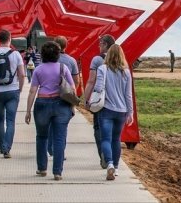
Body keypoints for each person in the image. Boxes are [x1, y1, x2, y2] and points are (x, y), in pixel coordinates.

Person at [24, 41, 75, 181]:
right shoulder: (63, 68)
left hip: (42, 104)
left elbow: (32, 91)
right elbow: (72, 88)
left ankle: (42, 168)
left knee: (41, 137)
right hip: (61, 105)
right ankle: (57, 172)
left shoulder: (39, 69)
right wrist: (72, 106)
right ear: (57, 54)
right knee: (59, 139)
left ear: (43, 55)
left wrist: (28, 111)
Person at [0, 29, 25, 158]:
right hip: (13, 91)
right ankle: (7, 148)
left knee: (0, 120)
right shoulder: (16, 54)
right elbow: (22, 74)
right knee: (11, 121)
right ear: (10, 38)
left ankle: (1, 146)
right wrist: (20, 88)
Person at [95, 44, 134, 180]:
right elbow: (128, 94)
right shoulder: (126, 72)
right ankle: (116, 168)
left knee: (105, 139)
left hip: (106, 109)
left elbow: (99, 88)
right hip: (121, 111)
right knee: (116, 139)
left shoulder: (102, 69)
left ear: (108, 55)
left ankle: (110, 163)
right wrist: (131, 113)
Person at [83, 34, 115, 169]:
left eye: (100, 44)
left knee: (98, 127)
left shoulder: (97, 60)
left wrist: (86, 99)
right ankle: (111, 156)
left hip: (100, 99)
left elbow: (91, 81)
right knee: (113, 130)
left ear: (105, 44)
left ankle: (102, 153)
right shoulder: (118, 59)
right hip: (115, 99)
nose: (98, 46)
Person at [47, 36, 81, 157]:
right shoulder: (71, 61)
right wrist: (70, 93)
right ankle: (60, 151)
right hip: (65, 98)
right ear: (66, 46)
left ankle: (50, 147)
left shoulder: (48, 59)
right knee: (62, 127)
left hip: (49, 96)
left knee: (50, 123)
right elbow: (76, 81)